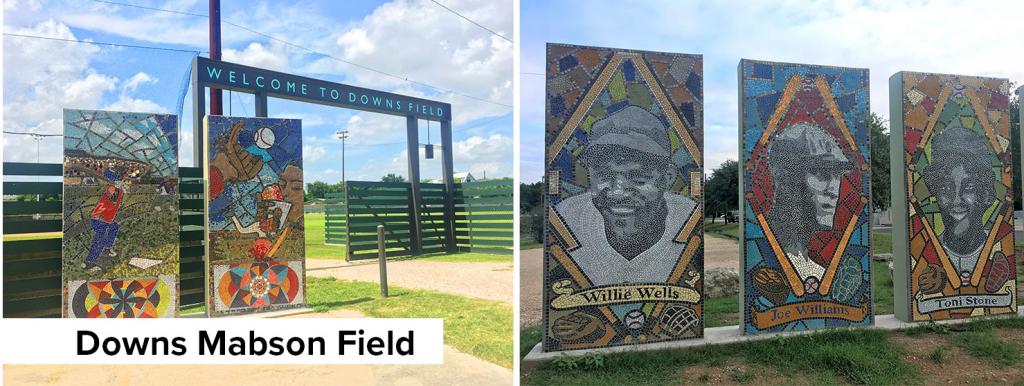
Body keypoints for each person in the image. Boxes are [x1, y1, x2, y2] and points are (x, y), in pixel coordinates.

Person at [552, 106, 697, 286]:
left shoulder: (689, 221)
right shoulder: (567, 218)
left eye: (638, 177)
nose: (617, 192)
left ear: (667, 178)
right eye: (604, 176)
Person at [766, 122, 853, 291]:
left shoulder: (814, 270)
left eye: (837, 176)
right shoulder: (770, 255)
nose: (833, 189)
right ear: (785, 178)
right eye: (821, 174)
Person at [921, 126, 996, 283]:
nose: (956, 200)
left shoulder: (998, 249)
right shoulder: (927, 251)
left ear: (987, 195)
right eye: (945, 188)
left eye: (969, 188)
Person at [83, 168, 125, 272]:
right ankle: (89, 262)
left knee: (114, 227)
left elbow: (113, 205)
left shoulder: (117, 190)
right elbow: (112, 199)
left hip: (106, 219)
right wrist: (115, 185)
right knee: (99, 240)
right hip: (100, 219)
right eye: (119, 179)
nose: (121, 181)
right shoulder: (112, 189)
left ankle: (107, 248)